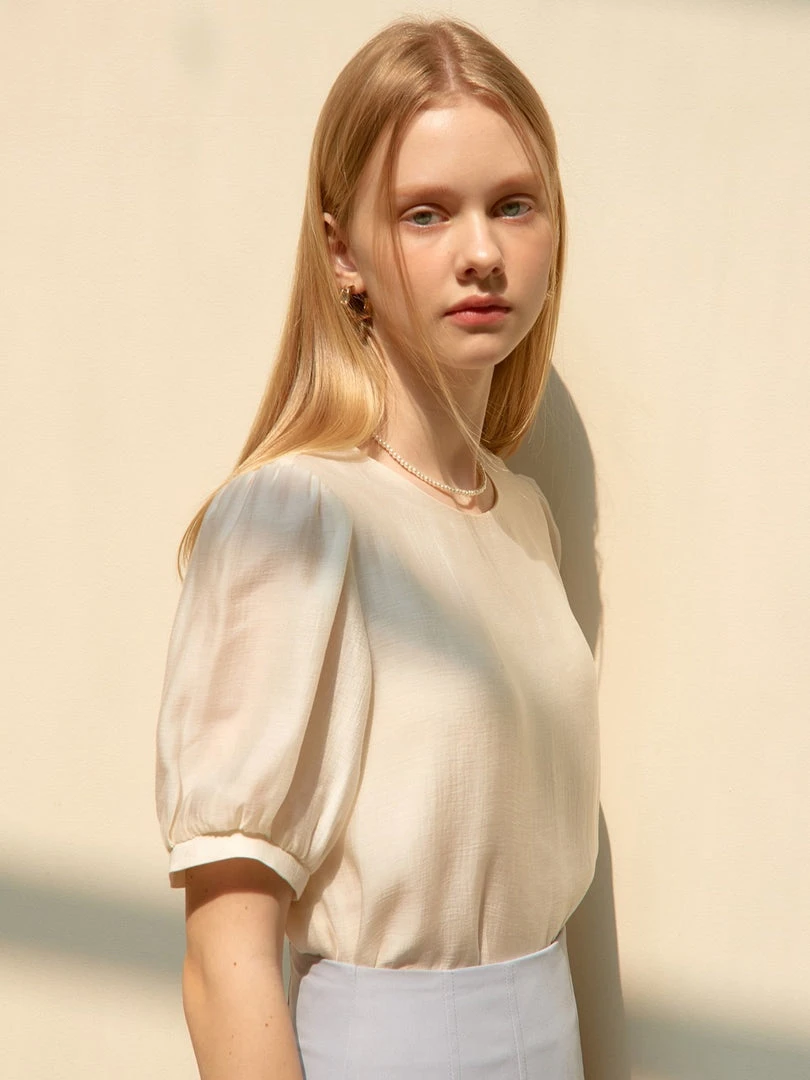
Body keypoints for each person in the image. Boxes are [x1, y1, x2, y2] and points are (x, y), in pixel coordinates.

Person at [154, 14, 600, 1079]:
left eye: (514, 204)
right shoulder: (294, 517)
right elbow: (225, 960)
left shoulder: (524, 519)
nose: (481, 252)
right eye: (425, 214)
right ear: (343, 252)